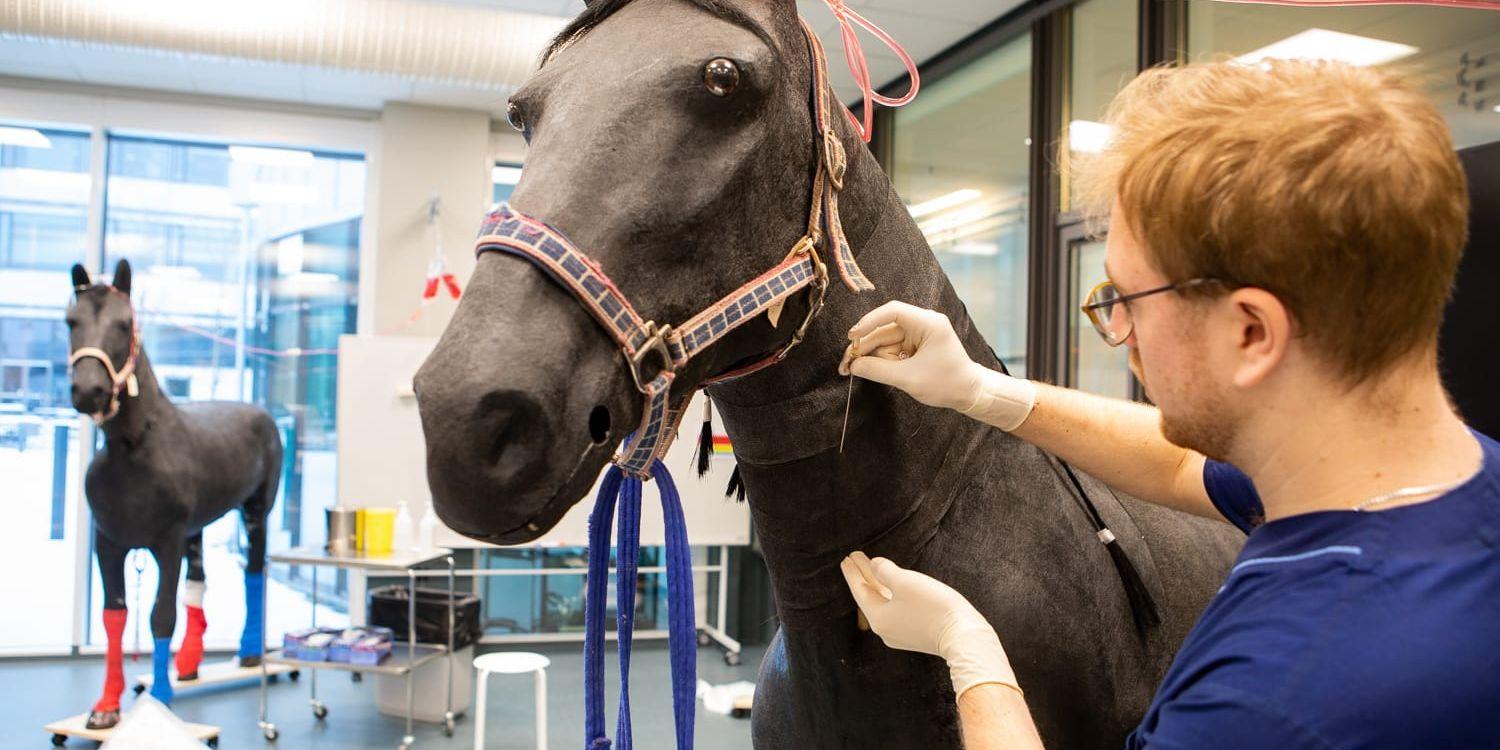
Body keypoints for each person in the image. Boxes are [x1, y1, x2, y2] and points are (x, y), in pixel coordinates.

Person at [838, 57, 1499, 749]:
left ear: (1251, 332)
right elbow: (1183, 468)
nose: (1120, 333)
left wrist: (972, 654)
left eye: (1126, 299)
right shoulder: (1433, 488)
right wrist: (983, 390)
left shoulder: (1269, 704)